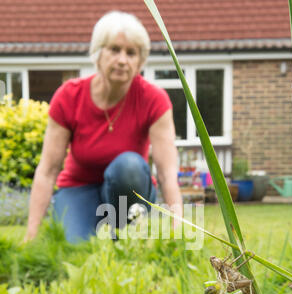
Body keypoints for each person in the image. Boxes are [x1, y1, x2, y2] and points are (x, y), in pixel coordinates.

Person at [24, 11, 183, 243]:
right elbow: (48, 171)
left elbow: (168, 173)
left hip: (128, 187)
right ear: (97, 54)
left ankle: (121, 238)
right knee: (76, 249)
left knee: (129, 166)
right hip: (79, 188)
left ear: (140, 61)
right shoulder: (69, 96)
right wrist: (31, 235)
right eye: (114, 50)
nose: (122, 60)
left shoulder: (154, 99)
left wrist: (177, 228)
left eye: (131, 53)